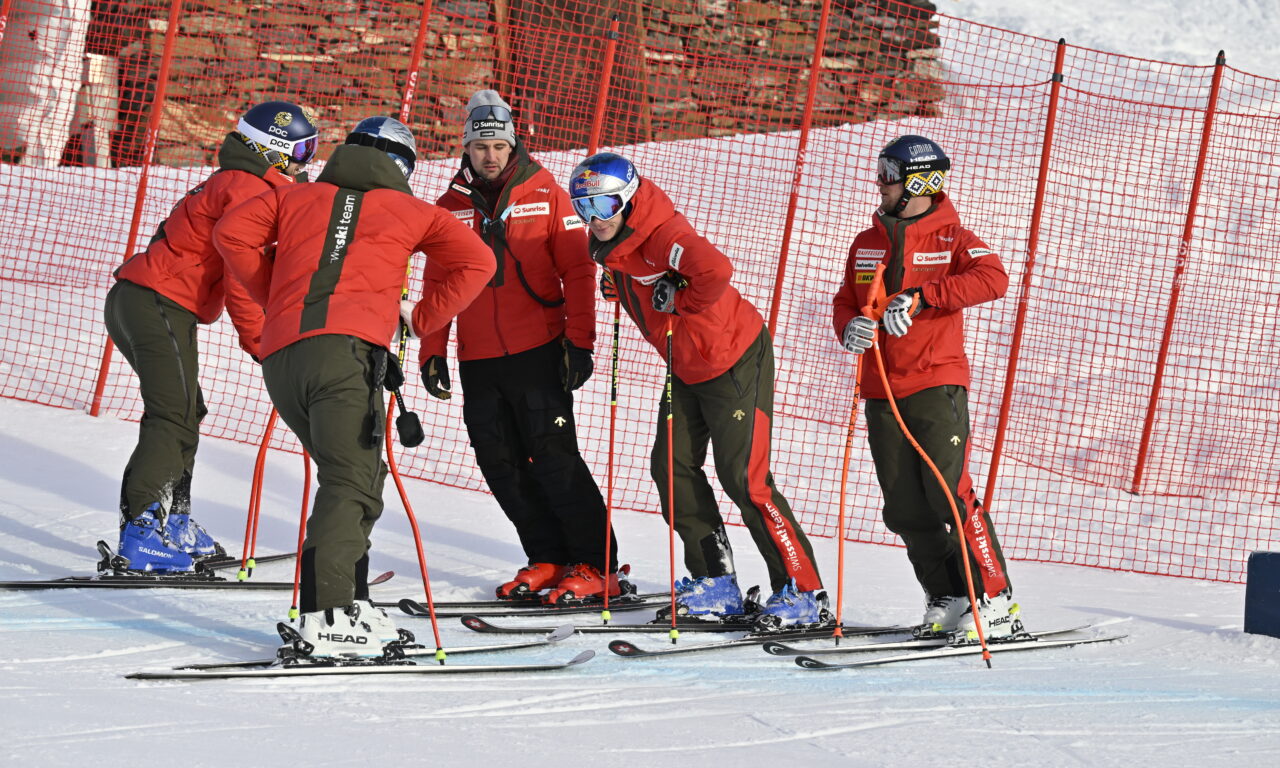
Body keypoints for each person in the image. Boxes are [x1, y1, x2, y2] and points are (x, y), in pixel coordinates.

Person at [214, 116, 494, 661]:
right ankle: (329, 615)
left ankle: (351, 600)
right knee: (353, 482)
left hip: (284, 357)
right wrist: (422, 318)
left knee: (353, 477)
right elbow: (477, 261)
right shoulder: (415, 211)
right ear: (402, 166)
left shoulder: (296, 197)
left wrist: (277, 295)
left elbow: (231, 234)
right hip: (346, 357)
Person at [567, 152, 826, 631]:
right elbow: (634, 272)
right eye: (583, 208)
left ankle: (803, 592)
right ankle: (715, 583)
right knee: (670, 466)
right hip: (685, 363)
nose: (593, 219)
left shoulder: (664, 233)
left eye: (603, 206)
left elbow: (715, 271)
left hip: (730, 357)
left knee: (744, 479)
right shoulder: (611, 241)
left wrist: (678, 297)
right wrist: (619, 284)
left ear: (626, 199)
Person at [421, 90, 620, 605]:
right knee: (500, 462)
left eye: (500, 146)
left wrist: (579, 341)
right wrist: (431, 350)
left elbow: (578, 271)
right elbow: (437, 283)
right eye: (481, 146)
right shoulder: (448, 207)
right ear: (466, 148)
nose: (491, 155)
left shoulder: (546, 192)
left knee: (554, 459)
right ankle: (548, 557)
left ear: (514, 146)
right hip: (479, 358)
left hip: (539, 350)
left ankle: (598, 565)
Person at [104, 100, 318, 573]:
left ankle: (173, 521)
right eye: (302, 150)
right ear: (273, 151)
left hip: (152, 302)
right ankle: (140, 532)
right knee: (173, 414)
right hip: (156, 302)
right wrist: (264, 343)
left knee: (186, 409)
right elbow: (240, 275)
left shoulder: (246, 183)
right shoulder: (248, 188)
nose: (307, 162)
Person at [832, 134, 1018, 644]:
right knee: (905, 505)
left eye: (889, 174)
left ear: (919, 181)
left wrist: (922, 296)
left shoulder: (952, 237)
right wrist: (849, 325)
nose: (880, 183)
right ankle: (948, 595)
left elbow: (993, 278)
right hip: (880, 387)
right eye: (880, 171)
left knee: (948, 496)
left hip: (935, 382)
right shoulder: (866, 241)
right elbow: (846, 299)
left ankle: (996, 601)